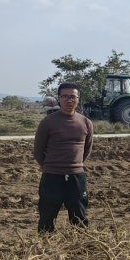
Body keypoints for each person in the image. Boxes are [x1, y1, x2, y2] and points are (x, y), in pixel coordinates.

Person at [33, 82, 93, 233]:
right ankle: (44, 245)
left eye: (73, 97)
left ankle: (79, 245)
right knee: (47, 218)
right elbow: (38, 150)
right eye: (65, 96)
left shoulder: (86, 123)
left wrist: (74, 165)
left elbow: (87, 149)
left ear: (78, 99)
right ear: (59, 99)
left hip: (76, 177)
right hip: (52, 178)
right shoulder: (47, 122)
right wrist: (50, 167)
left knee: (79, 219)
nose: (69, 100)